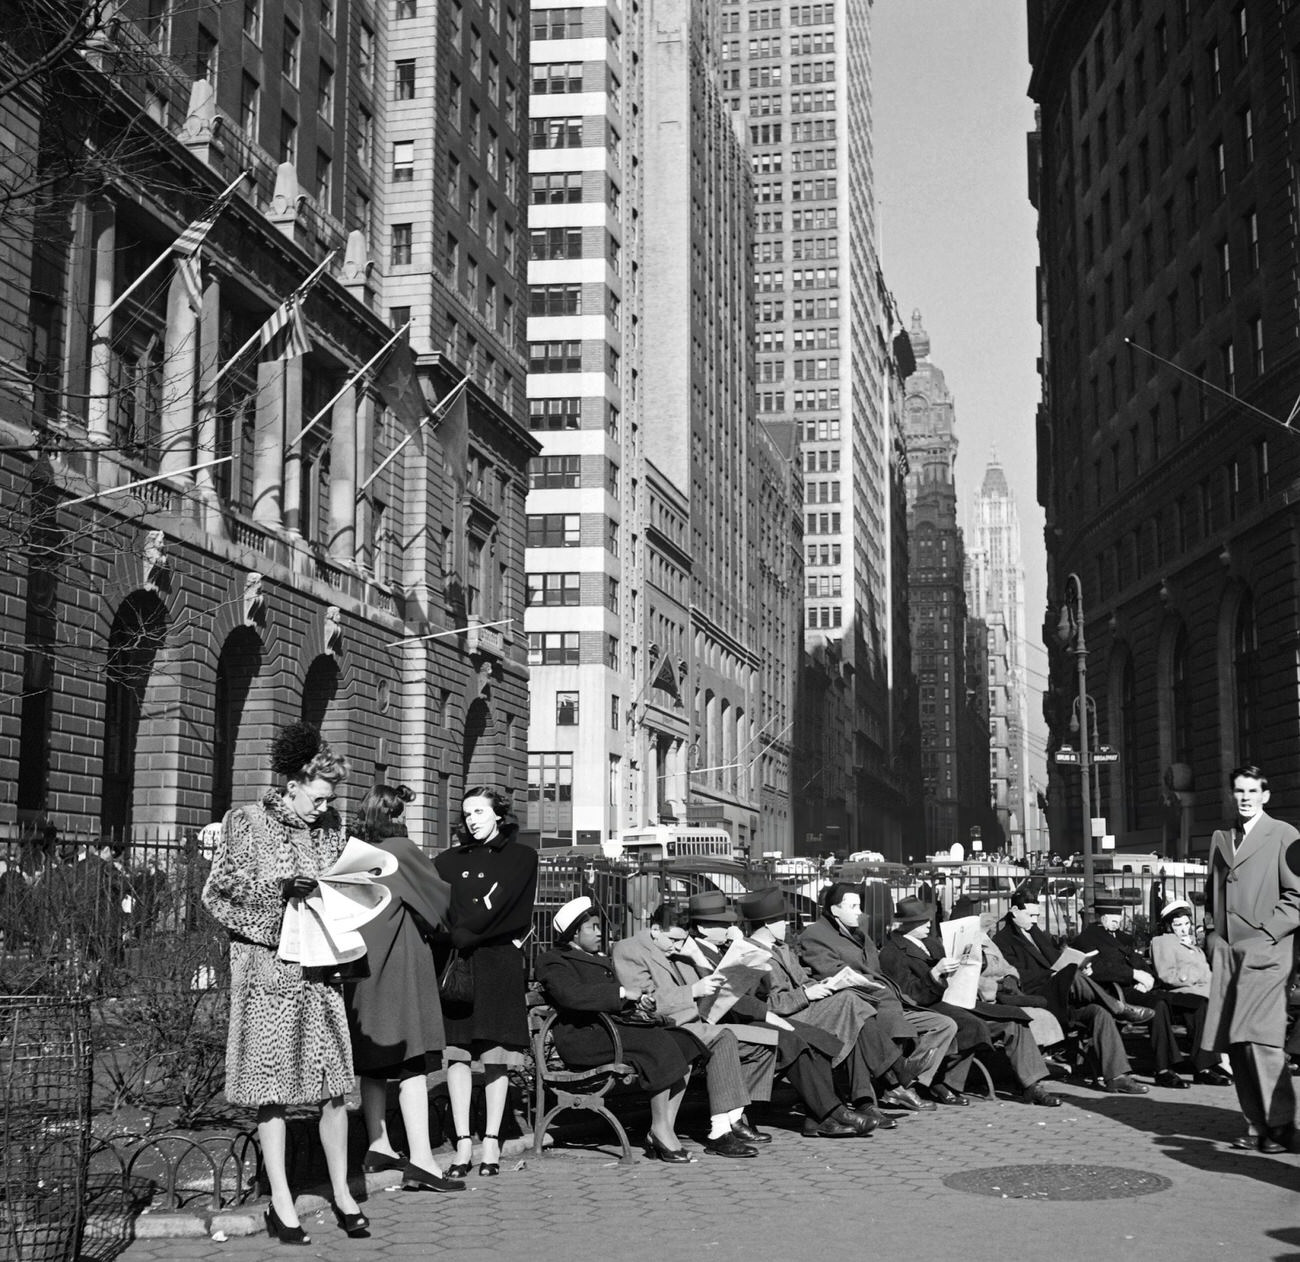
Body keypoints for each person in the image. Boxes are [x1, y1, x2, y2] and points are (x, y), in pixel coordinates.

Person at [201, 721, 365, 1244]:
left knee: (336, 1091)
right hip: (268, 975)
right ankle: (280, 1201)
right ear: (291, 784)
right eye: (317, 797)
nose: (323, 806)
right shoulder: (246, 822)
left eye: (329, 799)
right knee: (270, 1093)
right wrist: (279, 893)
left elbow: (346, 886)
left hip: (321, 974)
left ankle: (342, 1192)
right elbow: (219, 895)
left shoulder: (331, 825)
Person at [680, 891, 884, 1136]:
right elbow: (728, 998)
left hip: (745, 1017)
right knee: (793, 1041)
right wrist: (766, 1012)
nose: (729, 928)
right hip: (726, 1023)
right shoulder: (694, 955)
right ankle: (831, 1113)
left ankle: (819, 1117)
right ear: (702, 927)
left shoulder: (720, 948)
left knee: (819, 1039)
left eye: (730, 922)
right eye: (722, 924)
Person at [343, 785, 464, 1194]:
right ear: (397, 815)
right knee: (413, 1060)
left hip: (359, 967)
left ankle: (378, 1146)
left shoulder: (351, 852)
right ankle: (424, 1161)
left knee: (375, 1060)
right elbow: (441, 903)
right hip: (399, 963)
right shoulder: (402, 849)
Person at [535, 897, 714, 1161]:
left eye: (599, 926)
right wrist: (621, 993)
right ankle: (662, 1133)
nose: (599, 932)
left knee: (684, 1042)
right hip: (583, 1038)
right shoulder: (553, 960)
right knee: (658, 1043)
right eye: (592, 927)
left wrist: (640, 999)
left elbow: (618, 996)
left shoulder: (597, 958)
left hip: (609, 1031)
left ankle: (662, 1128)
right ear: (574, 932)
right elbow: (571, 995)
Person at [433, 786, 538, 1178]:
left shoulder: (522, 856)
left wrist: (464, 931)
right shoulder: (447, 860)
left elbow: (508, 906)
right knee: (458, 1053)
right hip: (458, 964)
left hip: (497, 963)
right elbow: (436, 905)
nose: (472, 819)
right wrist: (452, 934)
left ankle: (491, 1141)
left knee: (496, 1056)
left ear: (499, 814)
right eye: (467, 813)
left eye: (480, 811)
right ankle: (463, 1143)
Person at [738, 886, 912, 1123]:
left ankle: (866, 1102)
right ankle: (896, 1070)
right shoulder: (748, 954)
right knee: (852, 1002)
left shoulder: (782, 949)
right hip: (785, 1020)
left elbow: (804, 980)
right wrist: (807, 994)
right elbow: (761, 1005)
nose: (788, 925)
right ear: (768, 923)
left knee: (855, 1013)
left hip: (805, 1011)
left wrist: (826, 984)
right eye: (783, 921)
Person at [611, 907, 767, 1154]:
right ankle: (720, 1130)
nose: (676, 946)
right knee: (723, 1038)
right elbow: (645, 1001)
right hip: (662, 1028)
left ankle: (733, 1117)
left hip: (693, 1023)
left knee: (763, 1042)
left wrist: (697, 957)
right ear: (654, 930)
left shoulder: (680, 950)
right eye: (672, 939)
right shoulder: (629, 950)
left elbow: (707, 987)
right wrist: (692, 992)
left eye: (682, 940)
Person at [880, 897, 1061, 1107]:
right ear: (907, 925)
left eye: (927, 919)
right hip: (933, 1006)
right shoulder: (892, 953)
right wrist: (935, 973)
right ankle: (943, 1082)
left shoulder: (930, 943)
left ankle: (1032, 1086)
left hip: (961, 999)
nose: (928, 923)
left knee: (1015, 1020)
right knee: (972, 1026)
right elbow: (910, 996)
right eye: (922, 921)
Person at [796, 882, 961, 1112]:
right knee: (893, 1024)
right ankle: (899, 1085)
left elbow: (876, 969)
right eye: (852, 906)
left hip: (888, 1000)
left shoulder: (859, 934)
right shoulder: (815, 935)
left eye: (859, 906)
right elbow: (830, 972)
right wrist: (870, 985)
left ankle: (910, 1083)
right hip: (863, 1003)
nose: (859, 912)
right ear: (835, 910)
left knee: (944, 1025)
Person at [1202, 764, 1300, 1152]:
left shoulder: (1285, 834)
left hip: (1268, 953)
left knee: (1260, 1038)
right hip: (1228, 954)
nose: (1244, 798)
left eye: (1251, 791)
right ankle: (1255, 1124)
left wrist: (1267, 935)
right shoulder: (1221, 837)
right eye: (1238, 792)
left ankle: (1280, 1125)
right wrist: (1211, 936)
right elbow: (1212, 894)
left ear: (1265, 795)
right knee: (1236, 1041)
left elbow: (1297, 896)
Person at [993, 894, 1149, 1095]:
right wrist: (1054, 974)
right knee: (1071, 975)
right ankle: (1119, 1007)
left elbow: (1057, 959)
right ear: (1014, 911)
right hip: (1038, 997)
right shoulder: (1002, 941)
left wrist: (1076, 965)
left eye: (1037, 915)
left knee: (1098, 1012)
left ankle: (1117, 1077)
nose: (1034, 920)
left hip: (1063, 997)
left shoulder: (1036, 932)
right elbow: (1017, 976)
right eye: (1030, 915)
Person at [1074, 897, 1196, 1090]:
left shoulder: (1124, 938)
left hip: (1135, 989)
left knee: (1172, 1003)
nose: (1116, 920)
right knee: (1159, 1004)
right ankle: (1164, 1068)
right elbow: (1095, 970)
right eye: (1109, 916)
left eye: (1118, 915)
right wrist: (1133, 974)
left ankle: (1171, 1067)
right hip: (1112, 991)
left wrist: (1147, 981)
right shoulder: (1086, 939)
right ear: (1099, 917)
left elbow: (1140, 964)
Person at [1149, 898, 1231, 1087]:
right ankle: (1204, 1068)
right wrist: (1197, 975)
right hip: (1178, 994)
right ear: (1169, 926)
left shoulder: (1193, 946)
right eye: (1178, 925)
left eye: (1187, 924)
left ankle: (1216, 1065)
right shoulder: (1163, 941)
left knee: (1218, 1004)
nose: (1184, 929)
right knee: (1202, 1005)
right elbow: (1167, 975)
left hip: (1201, 993)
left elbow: (1209, 975)